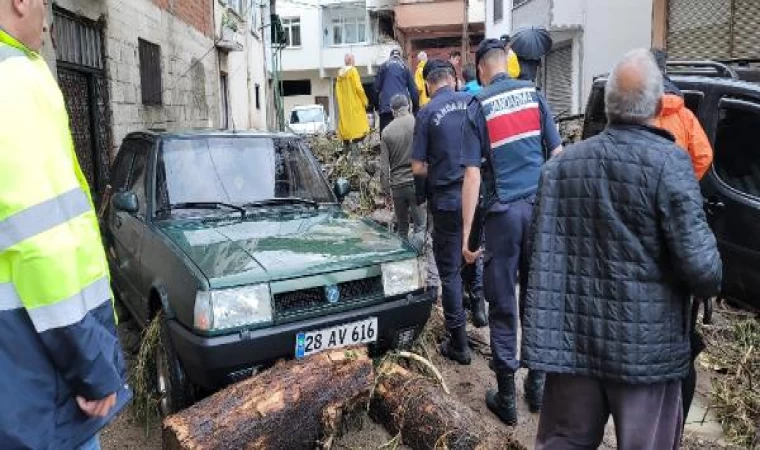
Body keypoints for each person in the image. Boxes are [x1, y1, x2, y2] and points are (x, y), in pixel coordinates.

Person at [521, 49, 722, 449]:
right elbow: (705, 271)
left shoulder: (558, 169)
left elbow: (536, 261)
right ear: (655, 104)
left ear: (609, 105)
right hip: (646, 355)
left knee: (564, 442)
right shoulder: (670, 164)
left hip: (572, 344)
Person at [0, 1, 132, 449]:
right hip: (41, 390)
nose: (47, 19)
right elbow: (43, 246)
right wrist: (93, 368)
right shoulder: (15, 80)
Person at [461, 39, 562, 425]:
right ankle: (536, 389)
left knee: (502, 302)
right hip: (538, 211)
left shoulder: (479, 105)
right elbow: (556, 155)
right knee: (537, 297)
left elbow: (471, 174)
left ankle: (506, 400)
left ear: (482, 69)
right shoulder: (534, 96)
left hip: (502, 217)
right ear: (509, 63)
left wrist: (470, 237)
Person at [412, 59, 486, 366]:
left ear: (429, 85)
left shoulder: (427, 113)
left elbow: (417, 167)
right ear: (453, 79)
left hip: (445, 200)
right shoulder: (472, 102)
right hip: (476, 194)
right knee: (473, 251)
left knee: (450, 271)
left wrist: (435, 173)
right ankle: (480, 309)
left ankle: (459, 344)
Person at [651, 48, 713, 180]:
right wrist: (684, 182)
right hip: (673, 188)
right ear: (664, 70)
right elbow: (703, 156)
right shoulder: (685, 116)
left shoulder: (632, 111)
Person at [381, 94, 425, 241]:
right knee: (420, 227)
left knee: (402, 229)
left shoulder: (386, 132)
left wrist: (387, 192)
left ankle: (402, 260)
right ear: (408, 107)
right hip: (416, 183)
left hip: (398, 186)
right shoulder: (418, 122)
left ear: (393, 111)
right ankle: (416, 255)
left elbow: (383, 168)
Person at [375, 48, 419, 133]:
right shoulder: (405, 67)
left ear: (390, 57)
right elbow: (413, 90)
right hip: (402, 109)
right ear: (400, 57)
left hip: (386, 109)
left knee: (386, 137)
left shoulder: (383, 67)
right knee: (403, 138)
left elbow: (376, 88)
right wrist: (415, 109)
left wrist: (376, 106)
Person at [335, 53, 370, 155]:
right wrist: (365, 101)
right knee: (359, 132)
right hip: (355, 106)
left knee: (346, 134)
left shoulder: (339, 75)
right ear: (352, 61)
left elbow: (338, 93)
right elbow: (359, 88)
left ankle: (346, 157)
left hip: (344, 109)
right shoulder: (353, 71)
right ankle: (355, 158)